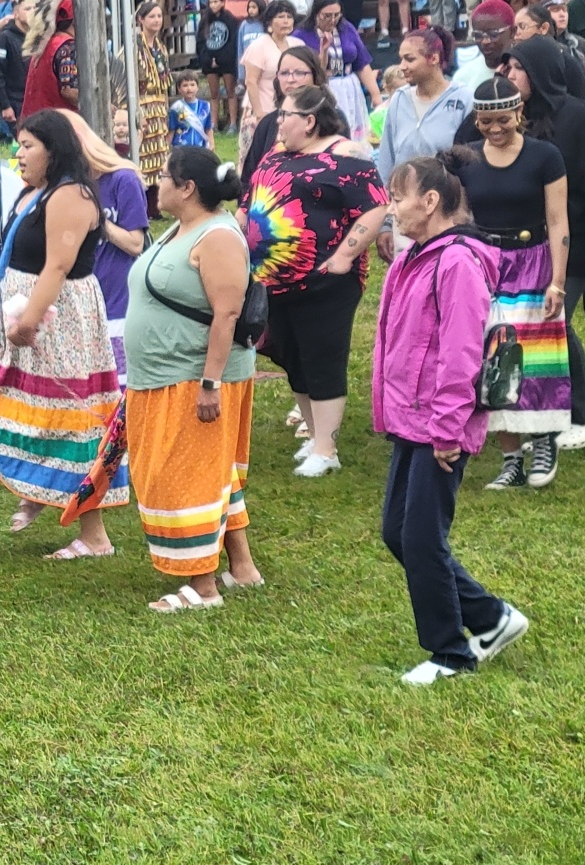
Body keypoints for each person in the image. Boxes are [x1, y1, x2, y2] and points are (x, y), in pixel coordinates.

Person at [374, 150, 530, 687]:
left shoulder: (457, 261)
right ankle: (490, 617)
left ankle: (450, 653)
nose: (391, 207)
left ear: (431, 201)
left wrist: (448, 429)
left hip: (440, 424)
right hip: (413, 420)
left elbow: (461, 352)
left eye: (398, 197)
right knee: (398, 532)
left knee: (421, 538)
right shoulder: (414, 256)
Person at [0, 109, 129, 558]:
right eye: (19, 144)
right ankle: (37, 488)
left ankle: (94, 536)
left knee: (73, 424)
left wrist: (30, 319)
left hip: (58, 320)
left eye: (28, 145)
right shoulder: (40, 192)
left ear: (55, 150)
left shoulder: (70, 196)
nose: (19, 153)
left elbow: (57, 267)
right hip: (28, 316)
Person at [118, 147, 262, 612]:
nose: (154, 183)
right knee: (212, 473)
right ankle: (241, 568)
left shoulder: (218, 236)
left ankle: (201, 588)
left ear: (187, 188)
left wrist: (209, 384)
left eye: (162, 177)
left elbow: (227, 314)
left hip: (191, 379)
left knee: (183, 477)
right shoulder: (183, 228)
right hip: (164, 375)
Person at [241, 84, 387, 478]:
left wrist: (343, 256)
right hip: (273, 280)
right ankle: (314, 434)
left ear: (308, 121)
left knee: (323, 355)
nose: (277, 121)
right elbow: (249, 198)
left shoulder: (346, 155)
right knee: (293, 357)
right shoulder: (275, 152)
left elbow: (374, 207)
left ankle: (327, 447)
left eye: (284, 114)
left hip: (325, 282)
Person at [455, 78, 573, 491]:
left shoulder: (545, 156)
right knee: (492, 357)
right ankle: (510, 458)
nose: (494, 128)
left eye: (502, 119)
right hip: (486, 264)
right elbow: (463, 218)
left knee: (536, 355)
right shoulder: (467, 159)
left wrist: (557, 281)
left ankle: (543, 441)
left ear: (519, 113)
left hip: (534, 261)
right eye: (486, 121)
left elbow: (557, 220)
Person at [62, 110, 150, 373]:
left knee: (119, 385)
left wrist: (98, 221)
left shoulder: (123, 179)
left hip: (118, 298)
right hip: (81, 297)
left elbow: (135, 243)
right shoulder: (69, 185)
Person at [374, 30, 468, 191]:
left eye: (409, 59)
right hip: (403, 204)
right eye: (401, 59)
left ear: (433, 58)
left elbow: (469, 162)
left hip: (447, 202)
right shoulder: (399, 99)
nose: (402, 66)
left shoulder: (464, 99)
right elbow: (386, 160)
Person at [296, 0, 380, 140]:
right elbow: (314, 72)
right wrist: (324, 51)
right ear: (315, 13)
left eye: (336, 15)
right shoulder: (301, 35)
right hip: (324, 87)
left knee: (355, 132)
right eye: (327, 16)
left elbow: (362, 64)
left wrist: (375, 94)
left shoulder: (346, 28)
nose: (332, 20)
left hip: (349, 85)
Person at [239, 46, 324, 179]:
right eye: (284, 73)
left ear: (314, 75)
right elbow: (248, 177)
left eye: (299, 73)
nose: (290, 79)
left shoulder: (331, 119)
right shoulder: (268, 123)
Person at [241, 1, 304, 133]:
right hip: (263, 109)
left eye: (289, 17)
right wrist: (259, 114)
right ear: (269, 21)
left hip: (290, 109)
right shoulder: (259, 45)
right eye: (281, 17)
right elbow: (250, 81)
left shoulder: (298, 45)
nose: (286, 21)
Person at [135, 2, 173, 215]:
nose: (157, 20)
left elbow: (164, 82)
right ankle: (142, 204)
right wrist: (135, 113)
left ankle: (155, 205)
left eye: (159, 16)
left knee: (159, 155)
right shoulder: (133, 48)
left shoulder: (161, 48)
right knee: (143, 156)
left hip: (158, 106)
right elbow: (125, 82)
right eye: (152, 16)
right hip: (141, 106)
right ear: (141, 20)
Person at [21, 0, 78, 114]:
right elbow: (69, 91)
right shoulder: (67, 46)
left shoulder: (46, 44)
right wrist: (100, 104)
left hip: (34, 121)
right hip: (56, 123)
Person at [454, 0, 515, 98]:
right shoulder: (463, 78)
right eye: (478, 35)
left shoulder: (524, 74)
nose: (485, 41)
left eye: (493, 34)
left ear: (512, 32)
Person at [197, 0, 241, 135]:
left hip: (226, 61)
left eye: (216, 2)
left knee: (230, 92)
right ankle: (213, 124)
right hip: (210, 62)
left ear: (222, 3)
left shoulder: (230, 20)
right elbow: (201, 43)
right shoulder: (204, 21)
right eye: (211, 3)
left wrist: (222, 58)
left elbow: (232, 42)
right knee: (214, 94)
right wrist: (208, 59)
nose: (213, 5)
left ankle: (232, 124)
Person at [0, 0, 30, 138]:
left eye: (34, 8)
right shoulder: (5, 38)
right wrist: (5, 105)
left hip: (33, 98)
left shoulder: (36, 37)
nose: (32, 12)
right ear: (16, 14)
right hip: (15, 101)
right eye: (27, 9)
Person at [169, 71, 216, 150]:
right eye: (185, 85)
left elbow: (208, 128)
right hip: (181, 149)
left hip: (200, 148)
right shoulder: (176, 108)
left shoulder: (205, 106)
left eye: (192, 84)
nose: (189, 88)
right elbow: (171, 130)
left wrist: (211, 144)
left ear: (197, 87)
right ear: (179, 88)